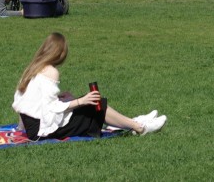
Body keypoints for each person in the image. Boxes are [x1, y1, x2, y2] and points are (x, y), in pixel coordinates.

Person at [12, 32, 165, 140]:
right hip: (42, 130)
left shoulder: (33, 67)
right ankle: (140, 128)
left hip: (33, 126)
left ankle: (134, 122)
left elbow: (28, 101)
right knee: (95, 105)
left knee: (93, 103)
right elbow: (50, 107)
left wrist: (23, 126)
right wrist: (80, 101)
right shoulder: (51, 71)